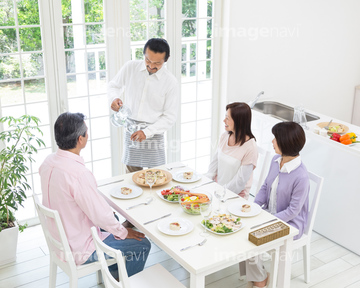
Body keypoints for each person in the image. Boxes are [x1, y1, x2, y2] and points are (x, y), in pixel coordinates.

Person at [39, 112, 151, 279]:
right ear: (80, 139)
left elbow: (98, 213)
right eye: (86, 131)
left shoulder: (47, 162)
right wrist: (125, 232)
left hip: (61, 242)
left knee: (113, 219)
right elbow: (99, 215)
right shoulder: (78, 174)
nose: (87, 135)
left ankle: (112, 276)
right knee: (142, 245)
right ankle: (119, 282)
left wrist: (116, 226)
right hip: (80, 249)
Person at [245, 121, 310, 288]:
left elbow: (293, 211)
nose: (272, 141)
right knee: (243, 226)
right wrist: (255, 207)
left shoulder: (301, 177)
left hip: (291, 223)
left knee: (253, 236)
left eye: (276, 138)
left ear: (286, 143)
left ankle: (259, 281)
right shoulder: (276, 160)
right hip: (270, 214)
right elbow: (266, 186)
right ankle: (259, 276)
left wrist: (268, 220)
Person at [108, 38, 179, 173]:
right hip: (131, 132)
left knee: (157, 178)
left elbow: (169, 117)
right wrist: (114, 98)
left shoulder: (171, 82)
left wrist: (146, 132)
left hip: (154, 133)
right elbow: (113, 86)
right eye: (148, 60)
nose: (151, 66)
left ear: (166, 59)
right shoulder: (130, 67)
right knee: (131, 179)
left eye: (157, 63)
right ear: (144, 55)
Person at [205, 102, 258, 199]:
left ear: (238, 121)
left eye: (227, 118)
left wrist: (221, 193)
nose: (224, 120)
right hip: (217, 190)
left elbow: (239, 183)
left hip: (235, 197)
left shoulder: (251, 148)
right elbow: (214, 163)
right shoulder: (225, 136)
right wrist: (206, 183)